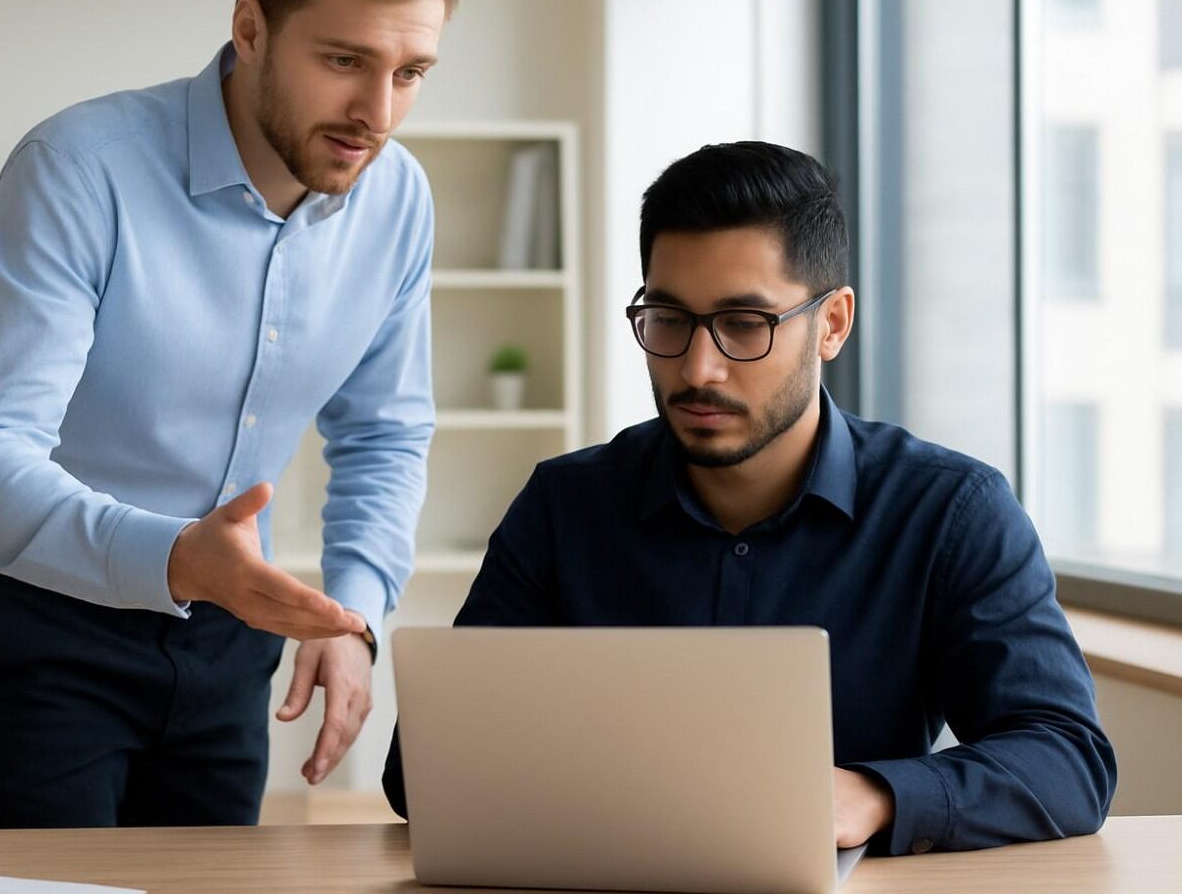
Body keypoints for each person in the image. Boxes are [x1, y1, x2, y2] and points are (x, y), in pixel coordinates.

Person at [383, 141, 1116, 855]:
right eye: (669, 321)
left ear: (831, 325)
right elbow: (422, 773)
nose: (699, 368)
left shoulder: (951, 511)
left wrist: (875, 795)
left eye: (744, 325)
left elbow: (1068, 760)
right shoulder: (565, 504)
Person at [0, 0, 456, 829]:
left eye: (410, 72)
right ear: (250, 28)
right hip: (36, 617)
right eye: (344, 62)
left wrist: (353, 615)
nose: (377, 114)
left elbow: (384, 433)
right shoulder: (80, 167)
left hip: (228, 629)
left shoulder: (399, 200)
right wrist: (175, 557)